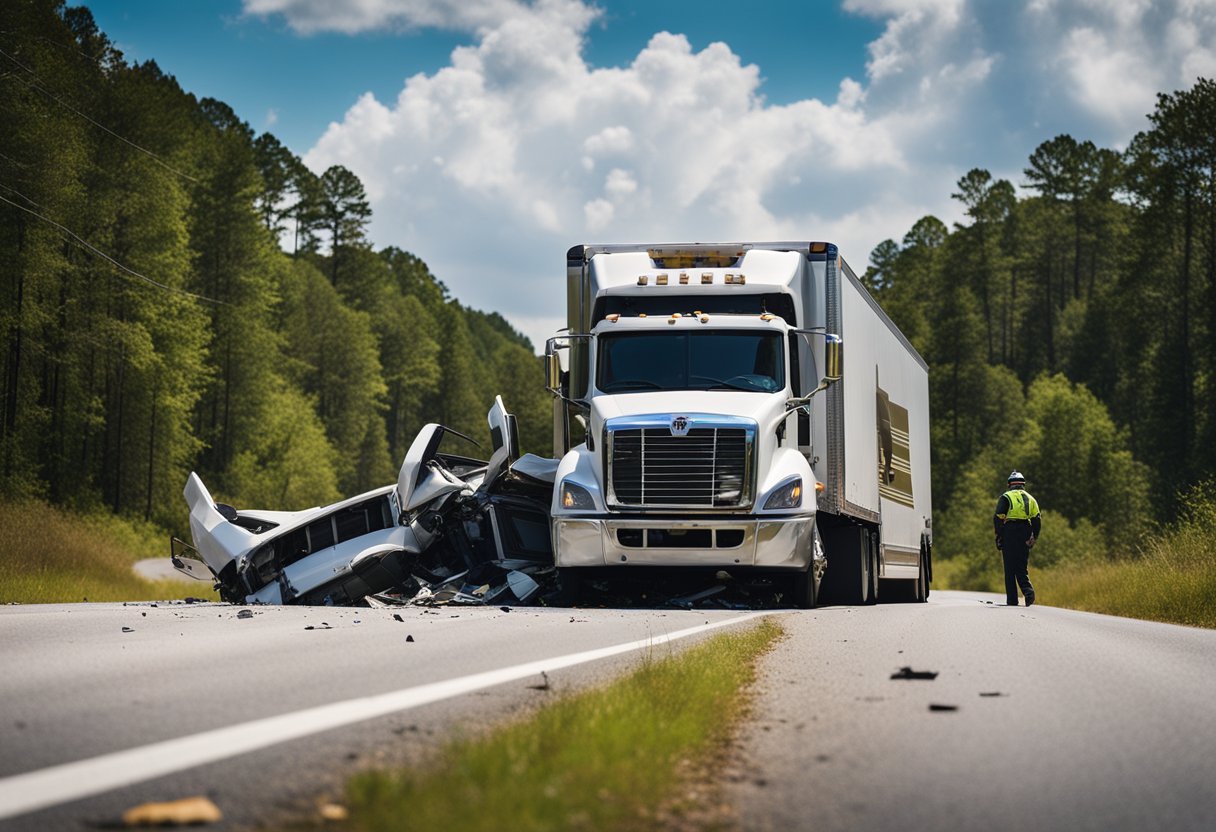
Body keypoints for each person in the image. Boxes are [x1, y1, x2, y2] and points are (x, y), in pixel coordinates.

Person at [993, 471, 1041, 606]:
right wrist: (1034, 537)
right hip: (1025, 530)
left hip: (1010, 531)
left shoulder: (1006, 497)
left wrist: (999, 536)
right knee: (1021, 565)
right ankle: (1028, 591)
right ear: (1023, 484)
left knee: (1009, 567)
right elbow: (1037, 520)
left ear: (1009, 485)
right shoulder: (1031, 499)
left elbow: (998, 517)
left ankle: (1012, 600)